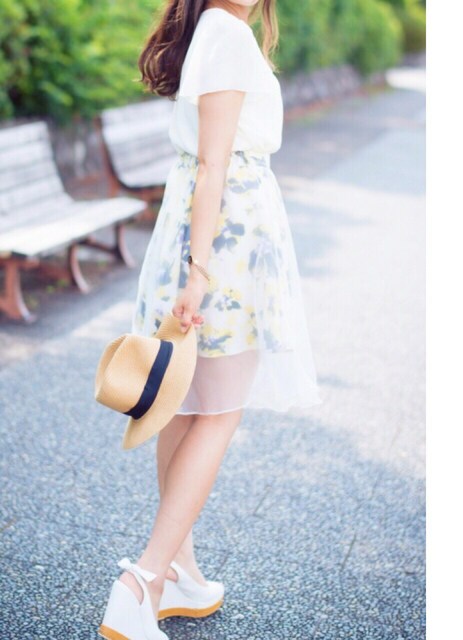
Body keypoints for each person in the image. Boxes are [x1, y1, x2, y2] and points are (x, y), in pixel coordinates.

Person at [98, 1, 322, 638]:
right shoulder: (226, 34)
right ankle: (143, 579)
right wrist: (200, 271)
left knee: (185, 406)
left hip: (208, 234)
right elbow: (214, 163)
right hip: (225, 242)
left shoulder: (217, 30)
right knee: (218, 412)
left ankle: (179, 573)